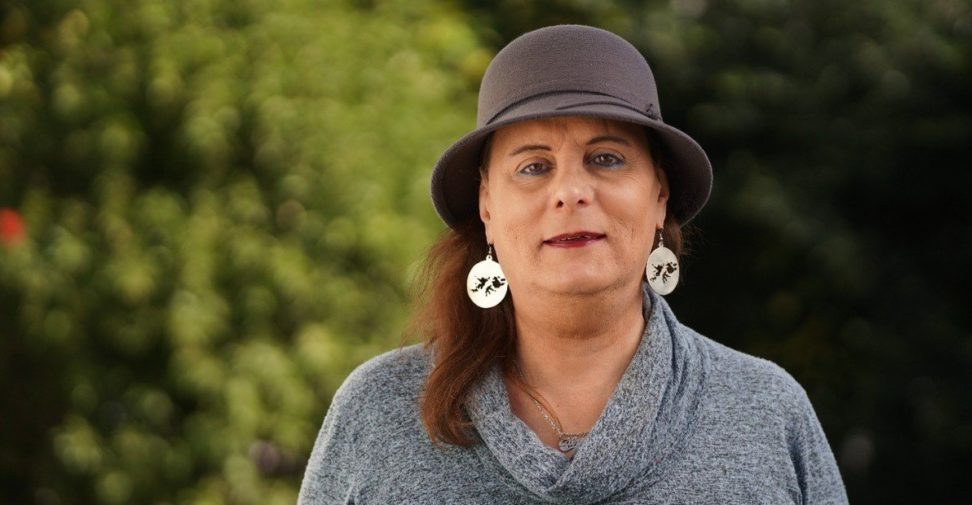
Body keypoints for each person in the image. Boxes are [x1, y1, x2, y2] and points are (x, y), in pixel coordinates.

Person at [299, 24, 848, 504]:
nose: (570, 192)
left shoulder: (765, 411)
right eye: (534, 167)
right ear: (487, 205)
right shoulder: (378, 412)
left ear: (659, 194)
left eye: (606, 158)